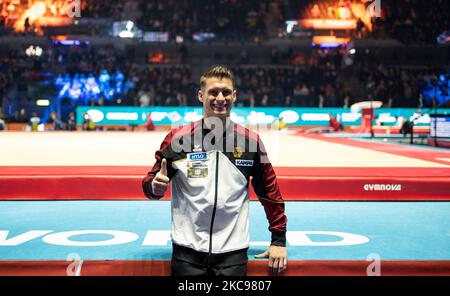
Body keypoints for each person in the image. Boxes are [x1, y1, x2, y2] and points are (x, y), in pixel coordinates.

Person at [142, 66, 288, 276]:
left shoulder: (251, 142)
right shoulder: (178, 139)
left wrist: (279, 240)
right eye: (213, 92)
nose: (220, 98)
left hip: (233, 254)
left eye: (226, 92)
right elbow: (150, 185)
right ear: (201, 95)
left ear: (234, 96)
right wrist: (154, 187)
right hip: (186, 253)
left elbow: (270, 192)